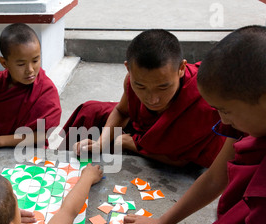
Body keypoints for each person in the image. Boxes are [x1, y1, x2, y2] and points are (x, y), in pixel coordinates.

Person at [116, 25, 266, 224]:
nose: (223, 122)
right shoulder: (257, 111)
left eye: (226, 111)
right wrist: (162, 223)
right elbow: (215, 176)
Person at [61, 29, 225, 168]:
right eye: (140, 86)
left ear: (181, 69)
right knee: (90, 111)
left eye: (163, 87)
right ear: (128, 69)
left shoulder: (204, 99)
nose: (153, 99)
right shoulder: (131, 81)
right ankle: (61, 164)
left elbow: (182, 159)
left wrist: (128, 142)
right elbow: (122, 111)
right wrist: (100, 144)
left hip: (174, 152)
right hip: (144, 129)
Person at [0, 23, 62, 150]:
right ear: (4, 63)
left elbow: (44, 134)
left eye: (35, 60)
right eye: (21, 64)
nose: (30, 70)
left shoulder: (46, 90)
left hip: (31, 154)